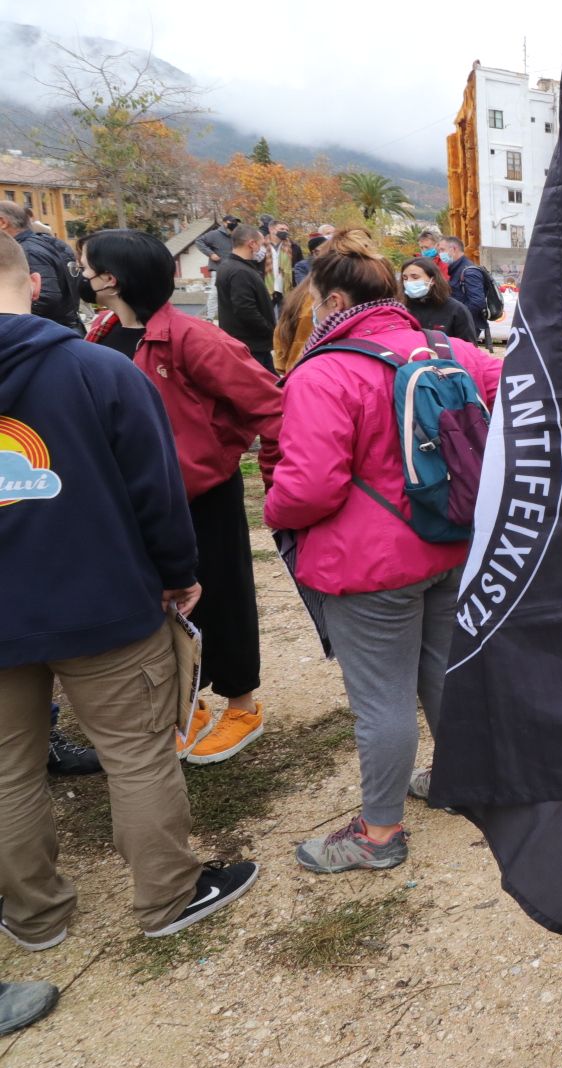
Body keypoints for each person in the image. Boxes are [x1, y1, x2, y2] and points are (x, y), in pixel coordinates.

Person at [0, 234, 259, 948]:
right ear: (38, 286)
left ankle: (33, 914)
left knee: (6, 768)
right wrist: (180, 576)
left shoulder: (103, 363)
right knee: (137, 752)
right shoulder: (97, 370)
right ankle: (168, 896)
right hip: (104, 601)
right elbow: (158, 491)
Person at [265, 229, 501, 873]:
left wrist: (273, 510)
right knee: (443, 672)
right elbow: (514, 387)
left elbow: (309, 485)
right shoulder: (444, 347)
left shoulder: (326, 371)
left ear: (334, 299)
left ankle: (378, 832)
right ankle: (463, 782)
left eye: (314, 298)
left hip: (369, 568)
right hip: (448, 540)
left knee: (382, 700)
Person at [79, 229, 284, 764]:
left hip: (201, 495)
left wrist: (240, 458)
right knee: (160, 599)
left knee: (222, 594)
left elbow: (271, 405)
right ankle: (185, 700)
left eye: (87, 266)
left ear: (111, 277)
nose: (81, 275)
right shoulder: (101, 332)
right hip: (134, 495)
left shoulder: (194, 338)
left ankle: (241, 704)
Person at [1, 201, 81, 334]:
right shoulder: (53, 243)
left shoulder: (27, 251)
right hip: (65, 328)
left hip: (45, 335)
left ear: (2, 222)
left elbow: (45, 298)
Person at [214, 225, 276, 370]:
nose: (262, 249)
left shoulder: (230, 266)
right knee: (261, 389)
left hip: (249, 344)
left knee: (273, 387)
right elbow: (245, 309)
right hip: (250, 345)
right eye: (261, 244)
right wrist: (269, 329)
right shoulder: (240, 271)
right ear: (252, 244)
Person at [399, 257, 479, 345]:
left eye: (415, 277)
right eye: (405, 278)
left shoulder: (456, 309)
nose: (408, 282)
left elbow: (469, 348)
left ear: (432, 280)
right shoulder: (400, 308)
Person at [436, 235, 490, 347]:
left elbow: (477, 303)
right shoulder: (456, 269)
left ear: (453, 249)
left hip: (466, 327)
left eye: (442, 250)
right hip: (461, 324)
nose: (440, 254)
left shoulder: (469, 271)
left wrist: (457, 317)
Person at [262, 219, 296, 313]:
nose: (285, 231)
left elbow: (297, 266)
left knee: (285, 317)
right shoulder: (261, 245)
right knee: (267, 316)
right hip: (267, 286)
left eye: (286, 230)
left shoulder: (293, 246)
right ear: (271, 229)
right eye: (282, 229)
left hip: (285, 287)